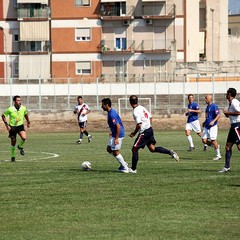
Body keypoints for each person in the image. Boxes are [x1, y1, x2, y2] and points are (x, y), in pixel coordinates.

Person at [128, 95, 179, 174]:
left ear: (130, 103)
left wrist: (133, 133)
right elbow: (150, 117)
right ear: (137, 101)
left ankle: (133, 169)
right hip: (149, 130)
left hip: (144, 132)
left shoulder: (135, 111)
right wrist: (148, 126)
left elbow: (139, 124)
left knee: (134, 149)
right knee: (152, 148)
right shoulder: (142, 107)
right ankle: (170, 152)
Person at [101, 98, 128, 173]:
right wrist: (112, 132)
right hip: (115, 133)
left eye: (102, 105)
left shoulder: (112, 114)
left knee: (115, 151)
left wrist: (116, 138)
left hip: (118, 135)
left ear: (107, 105)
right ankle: (123, 163)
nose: (101, 107)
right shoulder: (110, 112)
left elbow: (118, 126)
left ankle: (125, 168)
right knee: (109, 149)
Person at [2, 95, 30, 162]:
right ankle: (12, 156)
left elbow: (25, 114)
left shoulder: (23, 108)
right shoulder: (10, 109)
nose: (19, 101)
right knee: (13, 141)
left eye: (20, 100)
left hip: (20, 126)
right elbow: (3, 116)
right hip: (12, 127)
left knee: (24, 138)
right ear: (14, 101)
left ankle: (20, 146)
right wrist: (7, 125)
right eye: (18, 100)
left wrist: (28, 121)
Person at [219, 88, 240, 173]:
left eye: (227, 93)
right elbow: (233, 114)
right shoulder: (231, 103)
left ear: (230, 94)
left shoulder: (235, 102)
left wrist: (229, 113)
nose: (226, 95)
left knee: (239, 146)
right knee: (228, 147)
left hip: (237, 126)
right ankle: (227, 167)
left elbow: (239, 112)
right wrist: (227, 115)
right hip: (233, 127)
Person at [201, 94, 221, 160]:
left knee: (213, 140)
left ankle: (218, 155)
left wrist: (213, 121)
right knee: (204, 140)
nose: (205, 99)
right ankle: (216, 146)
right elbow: (207, 117)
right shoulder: (207, 107)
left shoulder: (214, 106)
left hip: (213, 126)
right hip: (207, 126)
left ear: (210, 99)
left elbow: (218, 115)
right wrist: (204, 122)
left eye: (206, 98)